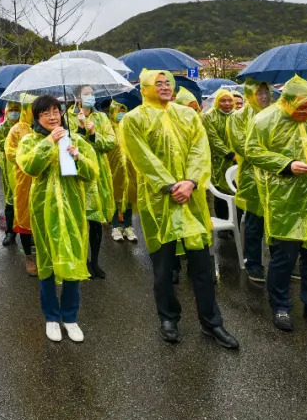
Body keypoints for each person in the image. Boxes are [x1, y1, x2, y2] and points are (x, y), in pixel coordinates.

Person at [121, 70, 239, 349]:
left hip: (192, 199)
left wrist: (191, 181)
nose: (164, 87)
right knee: (163, 268)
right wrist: (170, 186)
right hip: (159, 202)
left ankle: (212, 322)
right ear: (145, 88)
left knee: (201, 266)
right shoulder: (133, 119)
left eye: (168, 83)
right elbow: (142, 158)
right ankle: (168, 318)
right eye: (158, 83)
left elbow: (200, 150)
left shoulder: (188, 115)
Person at [245, 77, 307, 333]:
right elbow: (253, 151)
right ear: (287, 101)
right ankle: (280, 306)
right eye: (302, 107)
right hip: (284, 200)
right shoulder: (265, 120)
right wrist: (286, 165)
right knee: (284, 259)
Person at [16, 95, 98, 343]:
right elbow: (29, 167)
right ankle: (52, 318)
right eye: (45, 113)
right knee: (47, 262)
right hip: (43, 209)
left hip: (72, 208)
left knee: (73, 258)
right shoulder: (29, 141)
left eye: (56, 111)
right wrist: (49, 142)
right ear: (37, 117)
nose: (52, 117)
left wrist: (78, 157)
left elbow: (92, 173)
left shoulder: (75, 139)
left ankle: (70, 318)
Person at [228, 78, 273, 283]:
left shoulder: (276, 114)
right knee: (255, 220)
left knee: (279, 221)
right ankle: (253, 262)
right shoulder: (238, 117)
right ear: (250, 95)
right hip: (251, 176)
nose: (264, 96)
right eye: (259, 93)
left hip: (276, 175)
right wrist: (271, 157)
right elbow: (243, 146)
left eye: (266, 92)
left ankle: (281, 262)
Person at [70, 86, 116, 279]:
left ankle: (95, 261)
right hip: (78, 172)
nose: (90, 97)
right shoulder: (68, 117)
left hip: (98, 172)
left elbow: (111, 142)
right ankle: (81, 260)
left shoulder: (101, 118)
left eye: (92, 93)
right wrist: (81, 129)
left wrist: (95, 134)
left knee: (95, 219)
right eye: (86, 94)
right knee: (79, 219)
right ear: (78, 97)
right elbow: (68, 144)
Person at [5, 95, 38, 275]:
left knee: (42, 215)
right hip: (24, 179)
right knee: (25, 216)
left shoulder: (43, 127)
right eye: (32, 108)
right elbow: (10, 153)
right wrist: (29, 156)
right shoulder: (16, 130)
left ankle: (44, 254)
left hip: (42, 178)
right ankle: (29, 257)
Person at [106, 100, 138, 243]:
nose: (121, 114)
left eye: (123, 111)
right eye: (118, 111)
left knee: (129, 196)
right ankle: (115, 227)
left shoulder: (129, 126)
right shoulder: (108, 128)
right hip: (113, 169)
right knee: (115, 197)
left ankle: (128, 226)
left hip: (130, 168)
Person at [202, 88, 237, 218]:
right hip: (218, 161)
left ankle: (236, 220)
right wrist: (229, 154)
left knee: (236, 190)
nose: (227, 103)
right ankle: (224, 220)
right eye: (223, 101)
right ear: (217, 102)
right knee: (220, 192)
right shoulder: (209, 116)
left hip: (237, 159)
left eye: (229, 100)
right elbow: (213, 139)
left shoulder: (237, 115)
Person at [0, 103, 21, 245]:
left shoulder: (26, 127)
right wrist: (13, 136)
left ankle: (29, 232)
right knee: (10, 200)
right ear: (6, 111)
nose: (14, 113)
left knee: (25, 199)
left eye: (17, 110)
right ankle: (10, 232)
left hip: (23, 167)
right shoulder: (0, 128)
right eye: (11, 110)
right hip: (8, 168)